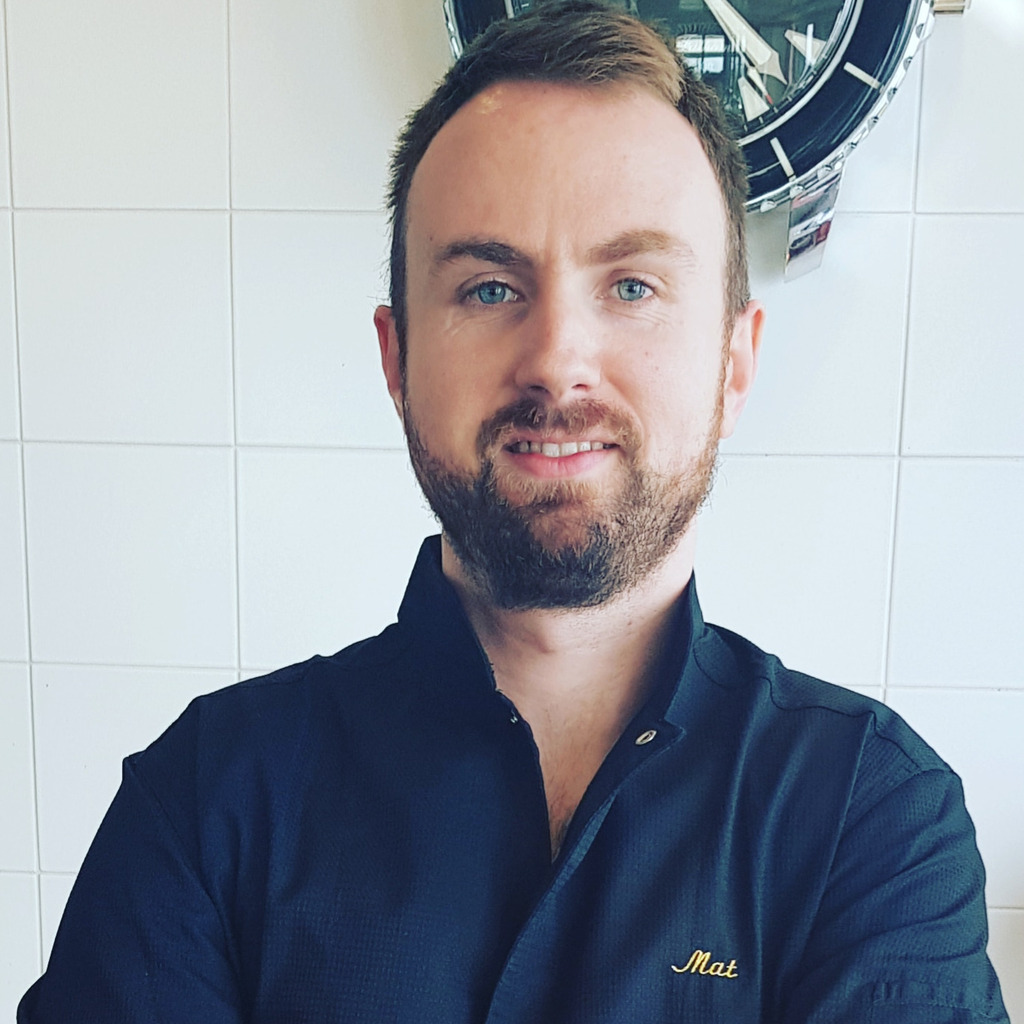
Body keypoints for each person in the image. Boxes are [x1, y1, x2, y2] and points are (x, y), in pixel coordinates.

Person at [19, 2, 1008, 1021]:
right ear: (398, 358)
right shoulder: (206, 801)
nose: (557, 361)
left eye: (632, 286)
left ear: (734, 362)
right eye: (490, 289)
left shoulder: (869, 818)